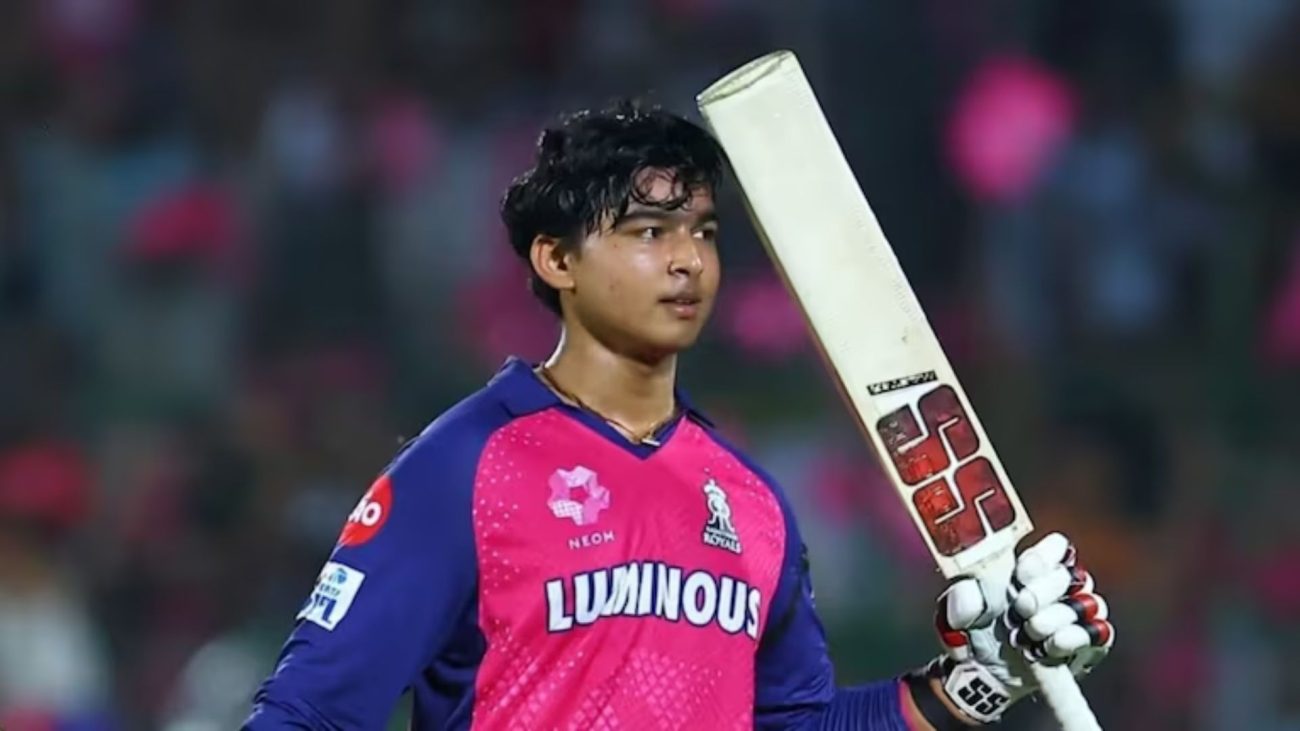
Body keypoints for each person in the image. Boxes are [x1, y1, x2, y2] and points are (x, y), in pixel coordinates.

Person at [243, 101, 1114, 730]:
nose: (688, 260)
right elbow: (308, 712)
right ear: (556, 259)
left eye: (703, 231)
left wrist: (975, 683)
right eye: (649, 231)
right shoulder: (467, 467)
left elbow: (798, 725)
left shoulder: (752, 503)